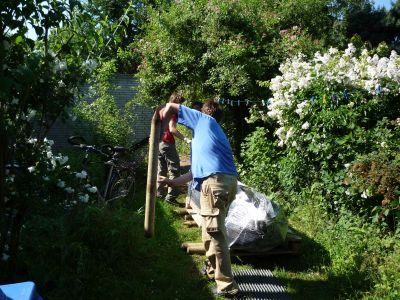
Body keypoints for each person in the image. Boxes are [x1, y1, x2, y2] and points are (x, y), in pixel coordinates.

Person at [158, 100, 239, 298]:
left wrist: (162, 120)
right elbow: (194, 172)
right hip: (224, 183)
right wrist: (172, 181)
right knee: (209, 232)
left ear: (205, 112)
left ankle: (226, 286)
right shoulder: (207, 135)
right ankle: (213, 271)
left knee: (215, 233)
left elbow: (170, 106)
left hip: (215, 184)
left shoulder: (205, 121)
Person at [157, 93, 191, 207]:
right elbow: (172, 129)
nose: (181, 107)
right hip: (167, 143)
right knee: (175, 170)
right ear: (176, 102)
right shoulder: (172, 112)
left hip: (159, 142)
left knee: (161, 170)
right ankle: (171, 198)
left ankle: (158, 195)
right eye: (180, 103)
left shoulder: (161, 110)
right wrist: (186, 139)